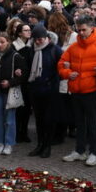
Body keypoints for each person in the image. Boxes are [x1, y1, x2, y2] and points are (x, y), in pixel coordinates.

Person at [59, 15, 96, 166]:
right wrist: (68, 74)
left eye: (84, 30)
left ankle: (94, 152)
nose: (81, 33)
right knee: (79, 122)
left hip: (91, 89)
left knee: (92, 122)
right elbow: (61, 64)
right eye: (79, 30)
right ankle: (80, 150)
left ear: (92, 28)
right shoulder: (73, 47)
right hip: (75, 89)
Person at [23, 23, 62, 157]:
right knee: (39, 119)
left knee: (49, 119)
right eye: (36, 39)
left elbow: (60, 69)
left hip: (50, 90)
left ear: (47, 38)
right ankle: (39, 144)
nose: (39, 41)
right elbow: (27, 68)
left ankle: (47, 146)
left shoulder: (55, 49)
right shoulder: (32, 50)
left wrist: (52, 82)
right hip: (35, 89)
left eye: (41, 39)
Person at [0, 32, 29, 154]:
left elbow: (24, 74)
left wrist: (11, 82)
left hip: (9, 91)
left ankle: (9, 142)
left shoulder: (15, 56)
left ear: (8, 42)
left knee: (9, 118)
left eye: (2, 42)